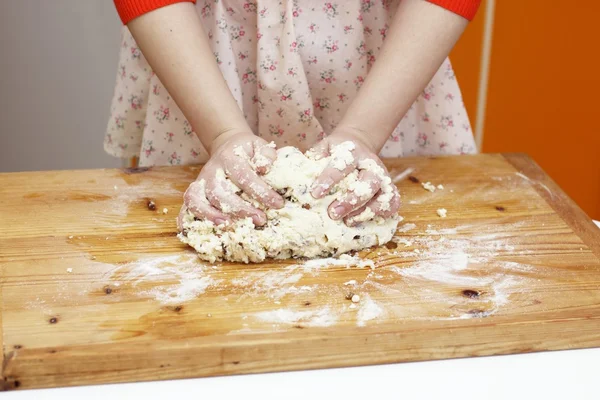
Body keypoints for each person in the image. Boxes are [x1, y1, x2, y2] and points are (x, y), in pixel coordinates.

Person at [107, 0, 481, 228]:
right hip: (200, 65)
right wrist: (222, 133)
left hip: (386, 70)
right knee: (217, 204)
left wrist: (364, 132)